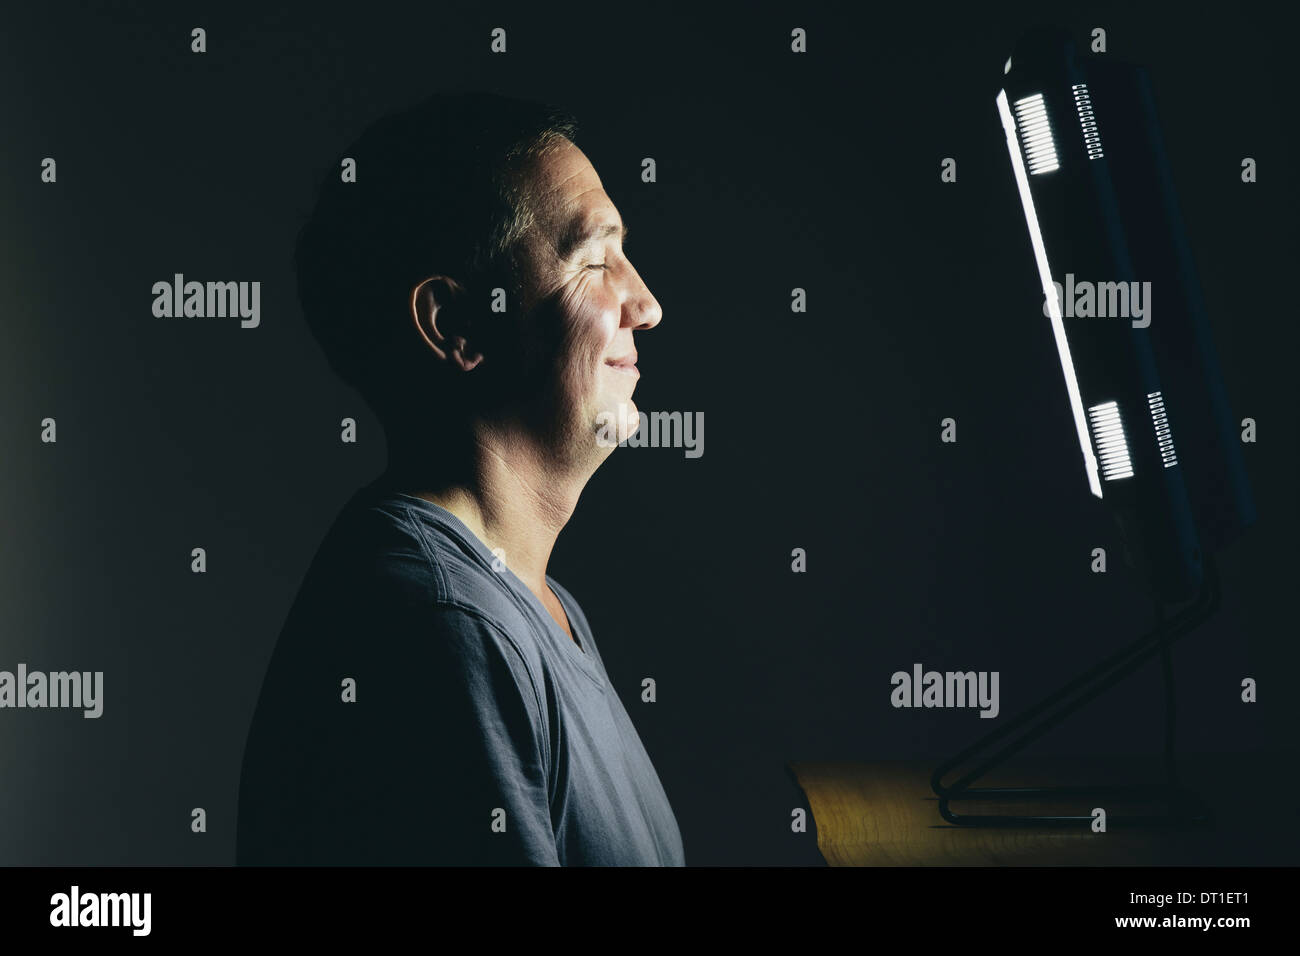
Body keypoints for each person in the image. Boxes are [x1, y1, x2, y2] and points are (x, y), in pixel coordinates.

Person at [235, 91, 683, 865]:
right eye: (594, 260)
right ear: (455, 325)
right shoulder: (445, 626)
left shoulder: (534, 607)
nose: (646, 304)